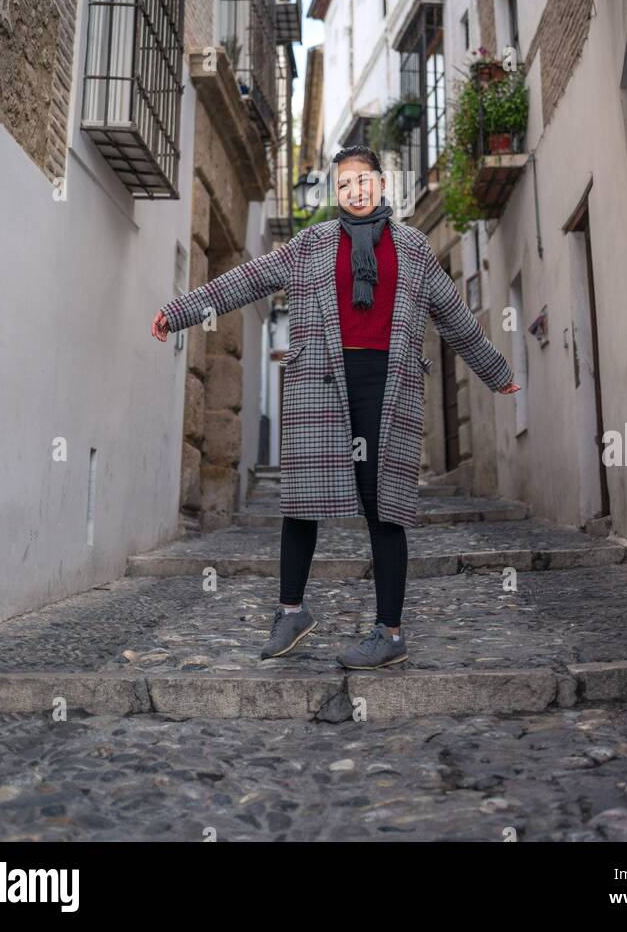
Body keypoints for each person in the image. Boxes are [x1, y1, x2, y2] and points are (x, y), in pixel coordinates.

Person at [152, 145, 519, 669]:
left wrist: (497, 372)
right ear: (336, 192)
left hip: (388, 385)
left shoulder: (413, 247)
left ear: (382, 184)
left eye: (363, 180)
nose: (354, 191)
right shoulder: (310, 245)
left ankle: (390, 633)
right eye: (344, 184)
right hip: (318, 385)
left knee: (383, 504)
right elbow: (247, 279)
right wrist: (181, 311)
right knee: (301, 501)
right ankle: (291, 611)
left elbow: (454, 314)